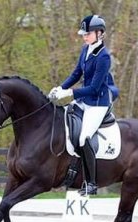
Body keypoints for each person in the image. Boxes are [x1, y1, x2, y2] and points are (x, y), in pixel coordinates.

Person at [48, 14, 119, 196]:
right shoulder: (85, 50)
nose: (84, 37)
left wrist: (70, 93)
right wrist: (60, 87)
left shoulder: (104, 57)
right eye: (84, 34)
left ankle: (91, 183)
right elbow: (76, 74)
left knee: (83, 137)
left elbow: (94, 88)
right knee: (65, 121)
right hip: (84, 101)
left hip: (97, 103)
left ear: (99, 34)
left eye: (87, 34)